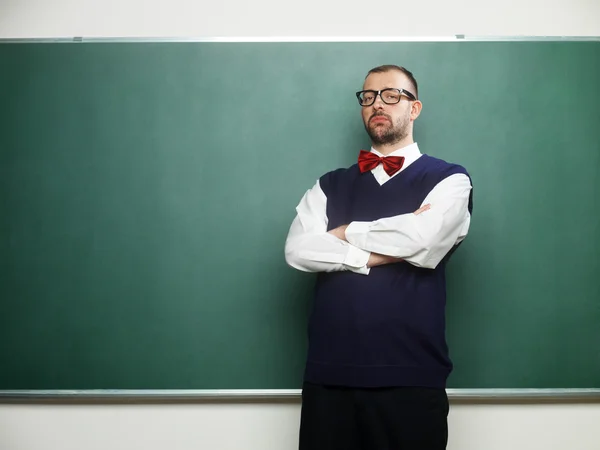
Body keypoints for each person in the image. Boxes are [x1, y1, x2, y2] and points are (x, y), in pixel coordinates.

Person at [284, 64, 474, 450]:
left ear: (414, 108)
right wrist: (377, 254)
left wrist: (344, 233)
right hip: (329, 378)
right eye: (368, 97)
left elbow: (425, 236)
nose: (377, 104)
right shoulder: (328, 184)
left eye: (391, 95)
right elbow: (299, 250)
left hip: (412, 378)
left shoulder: (450, 180)